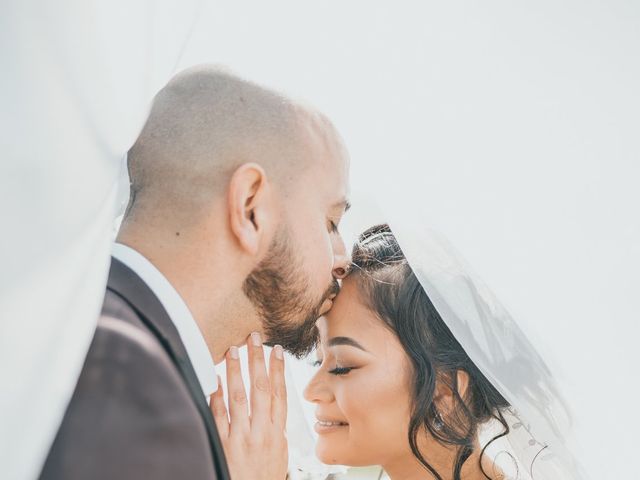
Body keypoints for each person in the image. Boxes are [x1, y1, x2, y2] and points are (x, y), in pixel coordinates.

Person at [39, 64, 351, 480]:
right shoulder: (138, 394)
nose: (342, 257)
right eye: (329, 222)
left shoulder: (75, 326)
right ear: (250, 208)